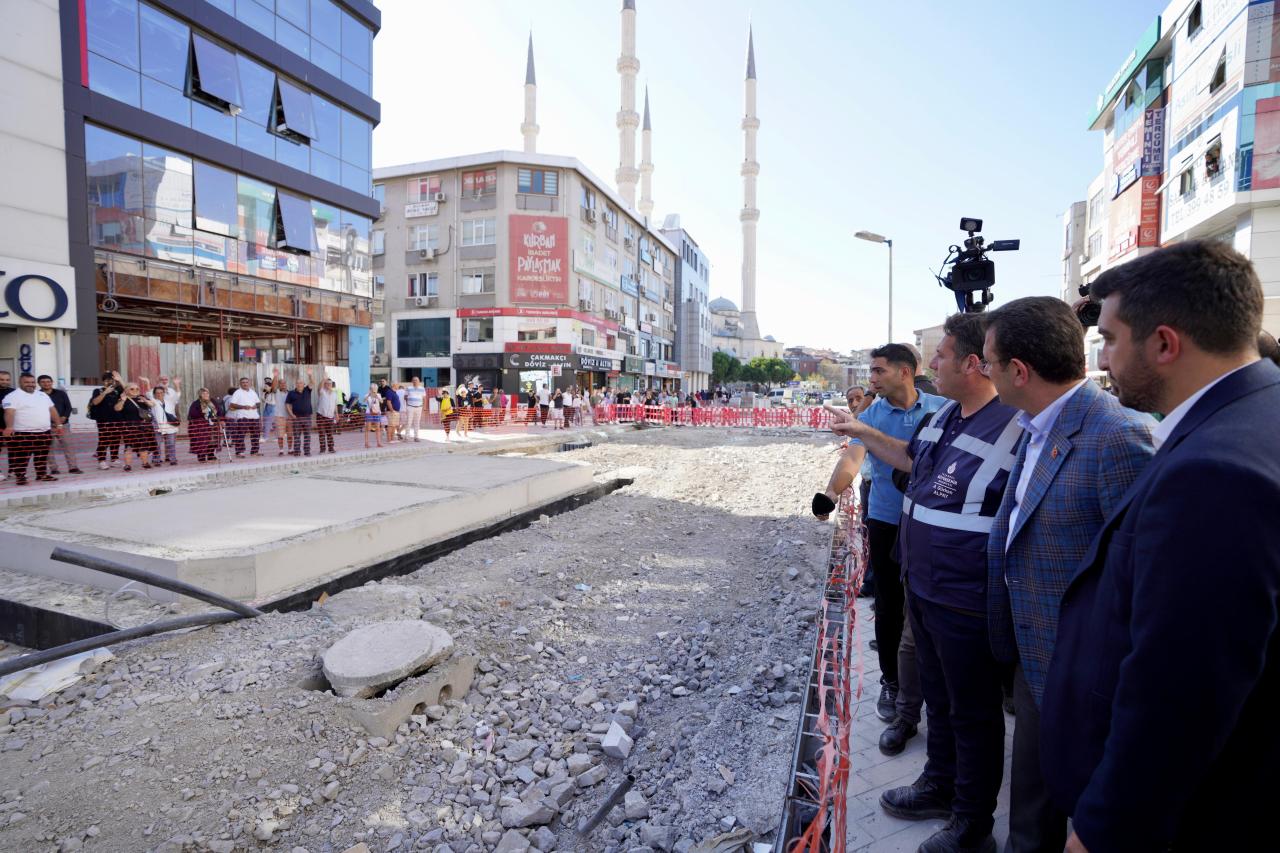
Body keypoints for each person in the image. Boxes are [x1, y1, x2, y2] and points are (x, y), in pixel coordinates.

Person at [1041, 241, 1280, 852]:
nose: (1105, 357)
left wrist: (1102, 827)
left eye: (1113, 339)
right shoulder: (1254, 413)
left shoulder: (1214, 471)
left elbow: (1183, 688)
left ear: (1165, 344)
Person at [834, 317, 1021, 853]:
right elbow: (911, 462)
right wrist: (862, 431)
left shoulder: (1014, 424)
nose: (931, 365)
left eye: (939, 355)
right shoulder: (945, 421)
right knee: (939, 701)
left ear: (971, 364)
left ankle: (972, 822)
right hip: (926, 589)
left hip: (968, 599)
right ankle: (939, 783)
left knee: (973, 711)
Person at [979, 297, 1155, 853]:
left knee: (1076, 808)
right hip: (1037, 663)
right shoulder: (1035, 426)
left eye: (989, 360)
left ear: (1019, 371)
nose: (983, 371)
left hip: (1087, 680)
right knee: (1030, 804)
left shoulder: (1116, 436)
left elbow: (1142, 581)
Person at [827, 344, 946, 726]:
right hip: (886, 521)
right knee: (890, 605)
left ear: (906, 372)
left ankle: (932, 682)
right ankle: (892, 682)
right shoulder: (871, 414)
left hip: (933, 522)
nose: (872, 379)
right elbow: (852, 457)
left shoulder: (941, 410)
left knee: (930, 605)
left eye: (878, 371)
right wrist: (830, 494)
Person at [2, 372, 62, 484]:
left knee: (42, 455)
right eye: (27, 382)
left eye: (32, 382)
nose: (30, 384)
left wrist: (59, 424)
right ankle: (20, 477)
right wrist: (9, 427)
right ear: (20, 382)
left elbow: (52, 410)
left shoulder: (42, 395)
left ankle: (41, 475)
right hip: (23, 433)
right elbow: (9, 412)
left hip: (44, 432)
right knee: (21, 457)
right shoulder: (12, 396)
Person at [38, 375, 81, 475]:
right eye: (43, 382)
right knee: (48, 448)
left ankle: (73, 467)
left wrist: (65, 417)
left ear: (52, 382)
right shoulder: (37, 395)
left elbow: (68, 407)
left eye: (48, 381)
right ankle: (53, 469)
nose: (46, 383)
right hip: (46, 426)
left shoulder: (61, 393)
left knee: (68, 446)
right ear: (39, 383)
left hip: (63, 425)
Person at [112, 381, 156, 472]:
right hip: (129, 427)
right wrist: (123, 400)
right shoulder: (124, 399)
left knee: (143, 446)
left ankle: (145, 463)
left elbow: (153, 404)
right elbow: (117, 408)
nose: (135, 390)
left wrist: (145, 401)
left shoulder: (141, 398)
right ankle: (127, 465)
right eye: (132, 389)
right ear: (127, 390)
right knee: (129, 447)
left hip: (142, 426)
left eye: (137, 389)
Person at [90, 370, 125, 470]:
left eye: (111, 380)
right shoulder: (98, 391)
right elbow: (95, 402)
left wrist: (120, 380)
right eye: (106, 380)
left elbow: (128, 390)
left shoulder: (118, 390)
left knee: (116, 439)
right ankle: (102, 461)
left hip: (117, 419)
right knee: (103, 440)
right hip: (103, 420)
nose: (109, 382)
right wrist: (105, 392)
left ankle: (114, 459)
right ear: (103, 381)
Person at [226, 377, 262, 458]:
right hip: (243, 416)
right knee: (241, 435)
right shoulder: (237, 393)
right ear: (240, 384)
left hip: (254, 416)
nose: (245, 384)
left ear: (249, 383)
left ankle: (254, 451)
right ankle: (239, 452)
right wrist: (243, 407)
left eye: (246, 382)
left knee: (256, 434)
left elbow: (258, 403)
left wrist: (255, 406)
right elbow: (232, 405)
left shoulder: (253, 392)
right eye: (243, 382)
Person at [187, 388, 223, 463]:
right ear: (200, 395)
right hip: (201, 426)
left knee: (213, 440)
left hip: (213, 424)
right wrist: (203, 414)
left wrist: (219, 417)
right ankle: (201, 456)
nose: (206, 395)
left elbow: (219, 410)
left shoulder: (212, 402)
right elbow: (192, 414)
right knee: (202, 440)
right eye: (203, 394)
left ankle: (210, 455)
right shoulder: (196, 403)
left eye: (207, 393)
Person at [285, 374, 314, 457]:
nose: (299, 384)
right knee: (297, 435)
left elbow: (312, 382)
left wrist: (310, 375)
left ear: (304, 384)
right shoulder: (291, 393)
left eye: (301, 383)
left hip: (307, 417)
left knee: (307, 435)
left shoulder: (307, 390)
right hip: (296, 418)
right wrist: (291, 414)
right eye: (297, 383)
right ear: (295, 384)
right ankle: (297, 452)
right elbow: (287, 405)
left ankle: (307, 452)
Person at [150, 386, 179, 466]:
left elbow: (177, 395)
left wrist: (177, 385)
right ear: (154, 394)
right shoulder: (153, 401)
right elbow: (148, 398)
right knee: (157, 444)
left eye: (161, 392)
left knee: (171, 444)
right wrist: (148, 384)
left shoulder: (170, 401)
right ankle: (156, 460)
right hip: (158, 427)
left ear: (164, 393)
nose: (159, 394)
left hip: (170, 426)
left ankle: (172, 459)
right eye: (157, 393)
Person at [263, 373, 289, 456]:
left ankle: (290, 449)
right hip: (279, 417)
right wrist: (275, 376)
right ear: (279, 385)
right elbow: (273, 387)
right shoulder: (276, 392)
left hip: (289, 417)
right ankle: (281, 450)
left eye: (284, 383)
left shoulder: (290, 393)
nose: (283, 385)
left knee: (290, 435)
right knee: (280, 436)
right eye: (281, 383)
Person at [316, 378, 339, 453]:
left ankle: (331, 448)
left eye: (330, 384)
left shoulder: (335, 394)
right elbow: (319, 387)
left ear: (332, 385)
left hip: (330, 416)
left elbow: (335, 405)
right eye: (327, 383)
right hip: (321, 416)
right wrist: (323, 379)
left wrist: (337, 414)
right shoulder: (322, 391)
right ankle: (322, 449)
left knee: (330, 433)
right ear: (324, 384)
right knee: (322, 434)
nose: (328, 385)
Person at [362, 383, 384, 448]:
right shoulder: (367, 395)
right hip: (369, 413)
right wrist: (369, 395)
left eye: (375, 389)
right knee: (368, 428)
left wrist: (377, 397)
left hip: (377, 412)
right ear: (370, 389)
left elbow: (382, 402)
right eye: (372, 389)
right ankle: (366, 443)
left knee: (378, 428)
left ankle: (378, 443)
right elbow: (363, 401)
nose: (374, 390)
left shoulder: (378, 395)